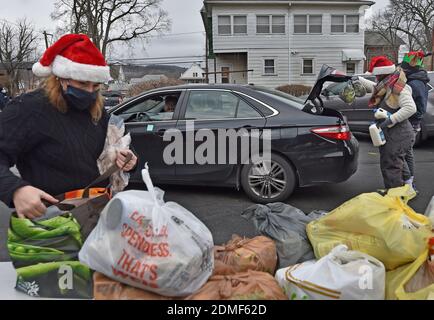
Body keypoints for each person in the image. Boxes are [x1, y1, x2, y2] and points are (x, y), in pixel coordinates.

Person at [0, 34, 137, 219]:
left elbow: (112, 148)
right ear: (61, 78)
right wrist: (16, 190)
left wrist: (127, 159)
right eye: (82, 83)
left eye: (95, 85)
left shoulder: (97, 111)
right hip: (50, 221)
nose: (89, 92)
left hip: (95, 214)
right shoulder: (27, 109)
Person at [357, 56, 416, 189]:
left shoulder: (398, 87)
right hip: (393, 133)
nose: (376, 78)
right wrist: (357, 79)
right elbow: (374, 87)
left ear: (384, 73)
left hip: (398, 134)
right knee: (397, 163)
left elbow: (411, 108)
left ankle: (394, 199)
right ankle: (408, 189)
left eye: (377, 75)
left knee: (391, 166)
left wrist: (390, 120)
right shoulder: (386, 84)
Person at [400, 51, 430, 192]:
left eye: (404, 68)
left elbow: (420, 108)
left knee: (405, 152)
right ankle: (408, 182)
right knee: (407, 152)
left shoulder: (415, 83)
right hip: (412, 122)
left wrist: (410, 119)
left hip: (411, 123)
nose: (403, 70)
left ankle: (409, 184)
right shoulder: (415, 80)